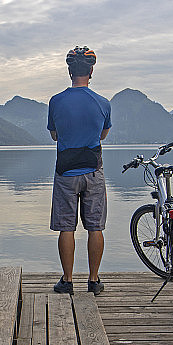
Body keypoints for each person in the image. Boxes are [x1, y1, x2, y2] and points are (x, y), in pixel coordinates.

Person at [47, 46, 111, 295]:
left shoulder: (56, 101)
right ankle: (94, 281)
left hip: (66, 172)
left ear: (69, 70)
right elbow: (103, 134)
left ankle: (68, 281)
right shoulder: (103, 103)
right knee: (95, 227)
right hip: (93, 170)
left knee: (67, 227)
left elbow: (54, 135)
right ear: (91, 71)